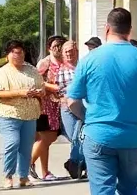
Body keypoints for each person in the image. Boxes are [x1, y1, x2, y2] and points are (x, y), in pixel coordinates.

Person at [67, 8, 137, 195]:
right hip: (132, 135)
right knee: (129, 189)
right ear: (130, 30)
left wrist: (88, 118)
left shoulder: (89, 60)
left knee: (102, 191)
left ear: (106, 29)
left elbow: (72, 101)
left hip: (98, 134)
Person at [0, 41, 45, 189]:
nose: (18, 55)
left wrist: (39, 93)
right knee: (12, 142)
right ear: (8, 55)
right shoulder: (3, 72)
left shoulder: (31, 70)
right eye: (14, 52)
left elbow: (42, 87)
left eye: (20, 52)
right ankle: (8, 175)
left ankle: (23, 176)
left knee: (26, 147)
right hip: (9, 114)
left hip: (29, 115)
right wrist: (20, 93)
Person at [32, 36, 66, 181]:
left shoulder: (65, 61)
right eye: (55, 46)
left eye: (61, 45)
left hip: (60, 105)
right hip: (45, 106)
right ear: (49, 48)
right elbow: (37, 81)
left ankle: (45, 172)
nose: (58, 49)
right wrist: (53, 87)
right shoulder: (45, 63)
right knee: (46, 137)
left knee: (46, 140)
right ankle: (28, 163)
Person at [57, 41, 86, 180]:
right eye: (66, 51)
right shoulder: (61, 69)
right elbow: (60, 89)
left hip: (82, 105)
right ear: (62, 54)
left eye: (71, 51)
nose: (69, 54)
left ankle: (74, 164)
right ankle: (77, 163)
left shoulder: (82, 67)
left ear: (76, 51)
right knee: (75, 138)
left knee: (81, 137)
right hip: (67, 108)